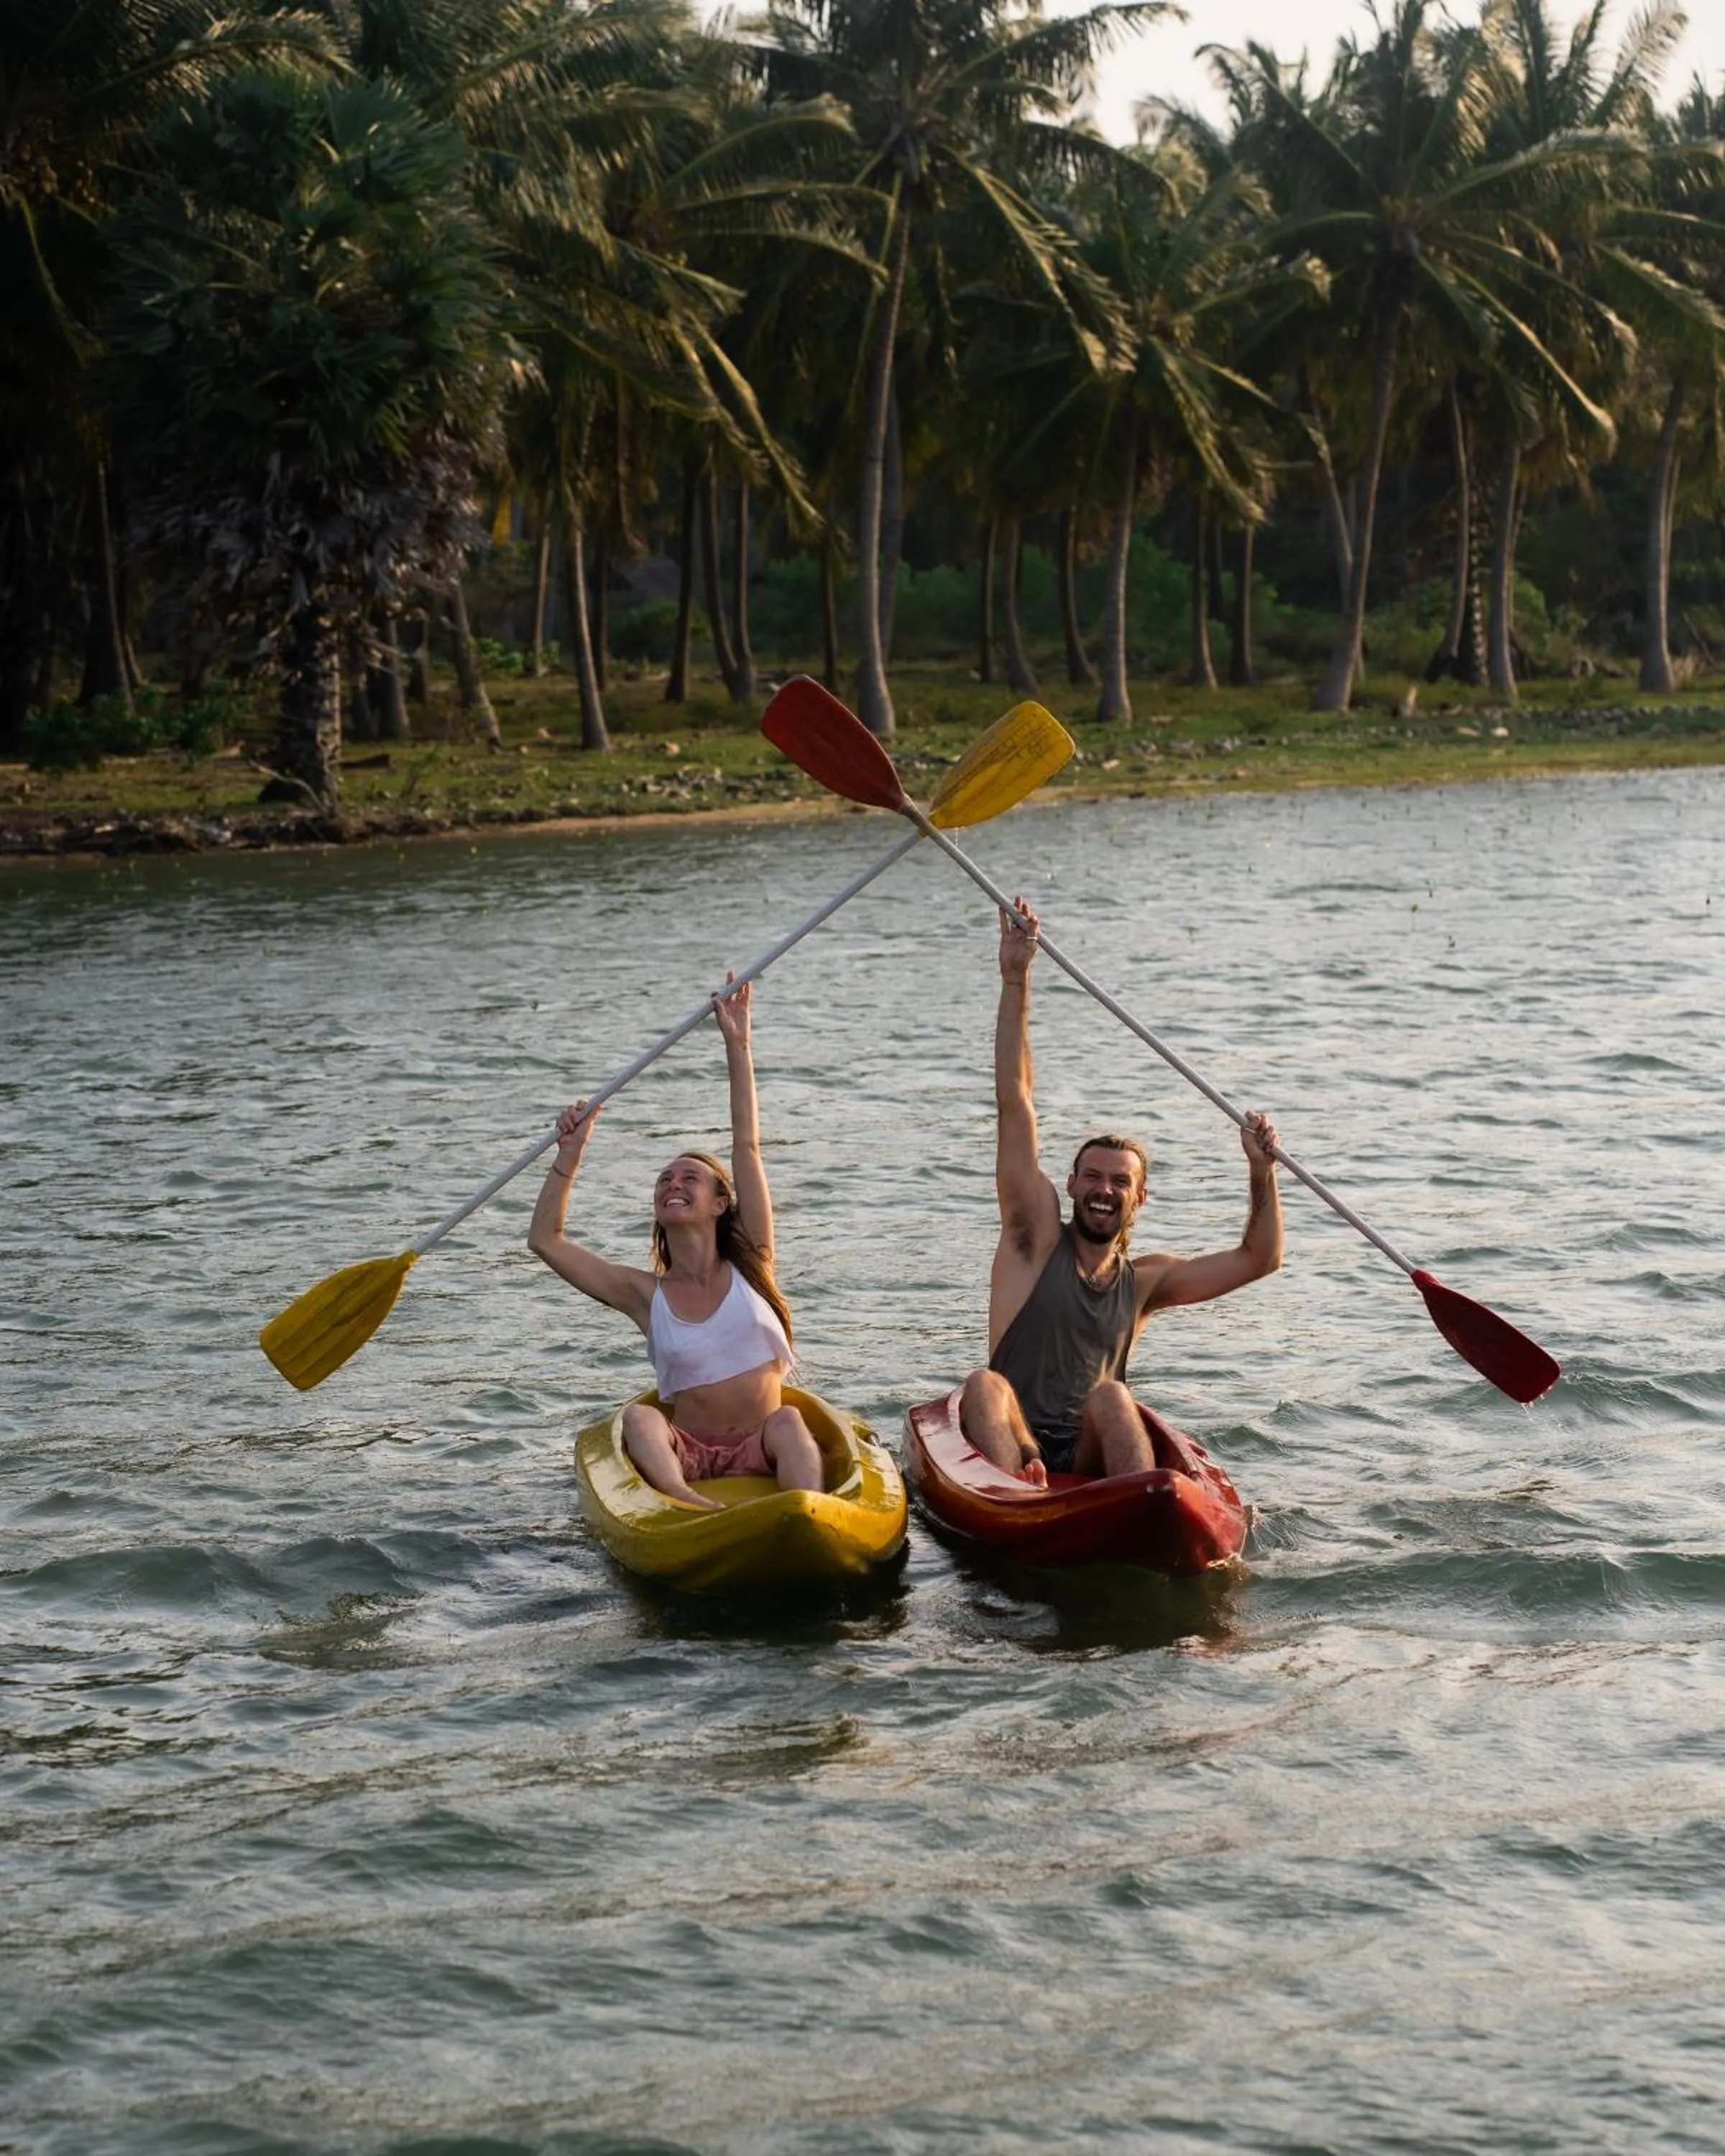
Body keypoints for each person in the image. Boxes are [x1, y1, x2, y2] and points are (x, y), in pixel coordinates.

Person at [961, 899, 1284, 1485]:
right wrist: (1016, 978)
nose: (1102, 1190)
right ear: (1071, 1185)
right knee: (983, 1386)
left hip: (1089, 1452)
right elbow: (1015, 1102)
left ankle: (1140, 1508)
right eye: (1092, 1177)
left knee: (1112, 1397)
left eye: (1119, 1181)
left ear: (1139, 1198)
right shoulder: (1032, 1238)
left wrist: (1261, 1173)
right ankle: (1018, 1501)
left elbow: (1259, 1260)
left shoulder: (1146, 1285)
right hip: (1014, 1441)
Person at [528, 976, 824, 1511]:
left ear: (719, 1203)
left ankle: (809, 1511)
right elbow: (545, 1240)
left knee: (789, 1420)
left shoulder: (754, 1258)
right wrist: (571, 1150)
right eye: (664, 1179)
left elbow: (747, 1146)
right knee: (639, 1417)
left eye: (690, 1178)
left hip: (763, 1446)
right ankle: (686, 1503)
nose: (673, 1184)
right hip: (687, 1455)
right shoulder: (645, 1295)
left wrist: (738, 1046)